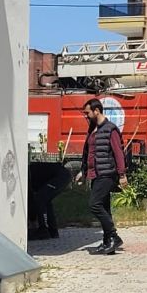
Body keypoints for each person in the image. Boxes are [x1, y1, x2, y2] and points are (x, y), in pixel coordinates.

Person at [74, 99, 129, 255]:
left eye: (87, 112)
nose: (86, 115)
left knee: (94, 204)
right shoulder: (93, 129)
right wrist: (83, 171)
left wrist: (122, 174)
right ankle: (107, 243)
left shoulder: (110, 129)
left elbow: (118, 153)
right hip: (95, 174)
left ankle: (114, 236)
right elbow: (88, 153)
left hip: (107, 174)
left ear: (96, 111)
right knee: (104, 208)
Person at [27, 162, 71, 240]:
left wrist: (32, 219)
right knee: (46, 201)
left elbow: (31, 201)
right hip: (62, 175)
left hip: (59, 176)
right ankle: (52, 231)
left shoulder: (28, 174)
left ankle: (43, 230)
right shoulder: (31, 171)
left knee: (40, 199)